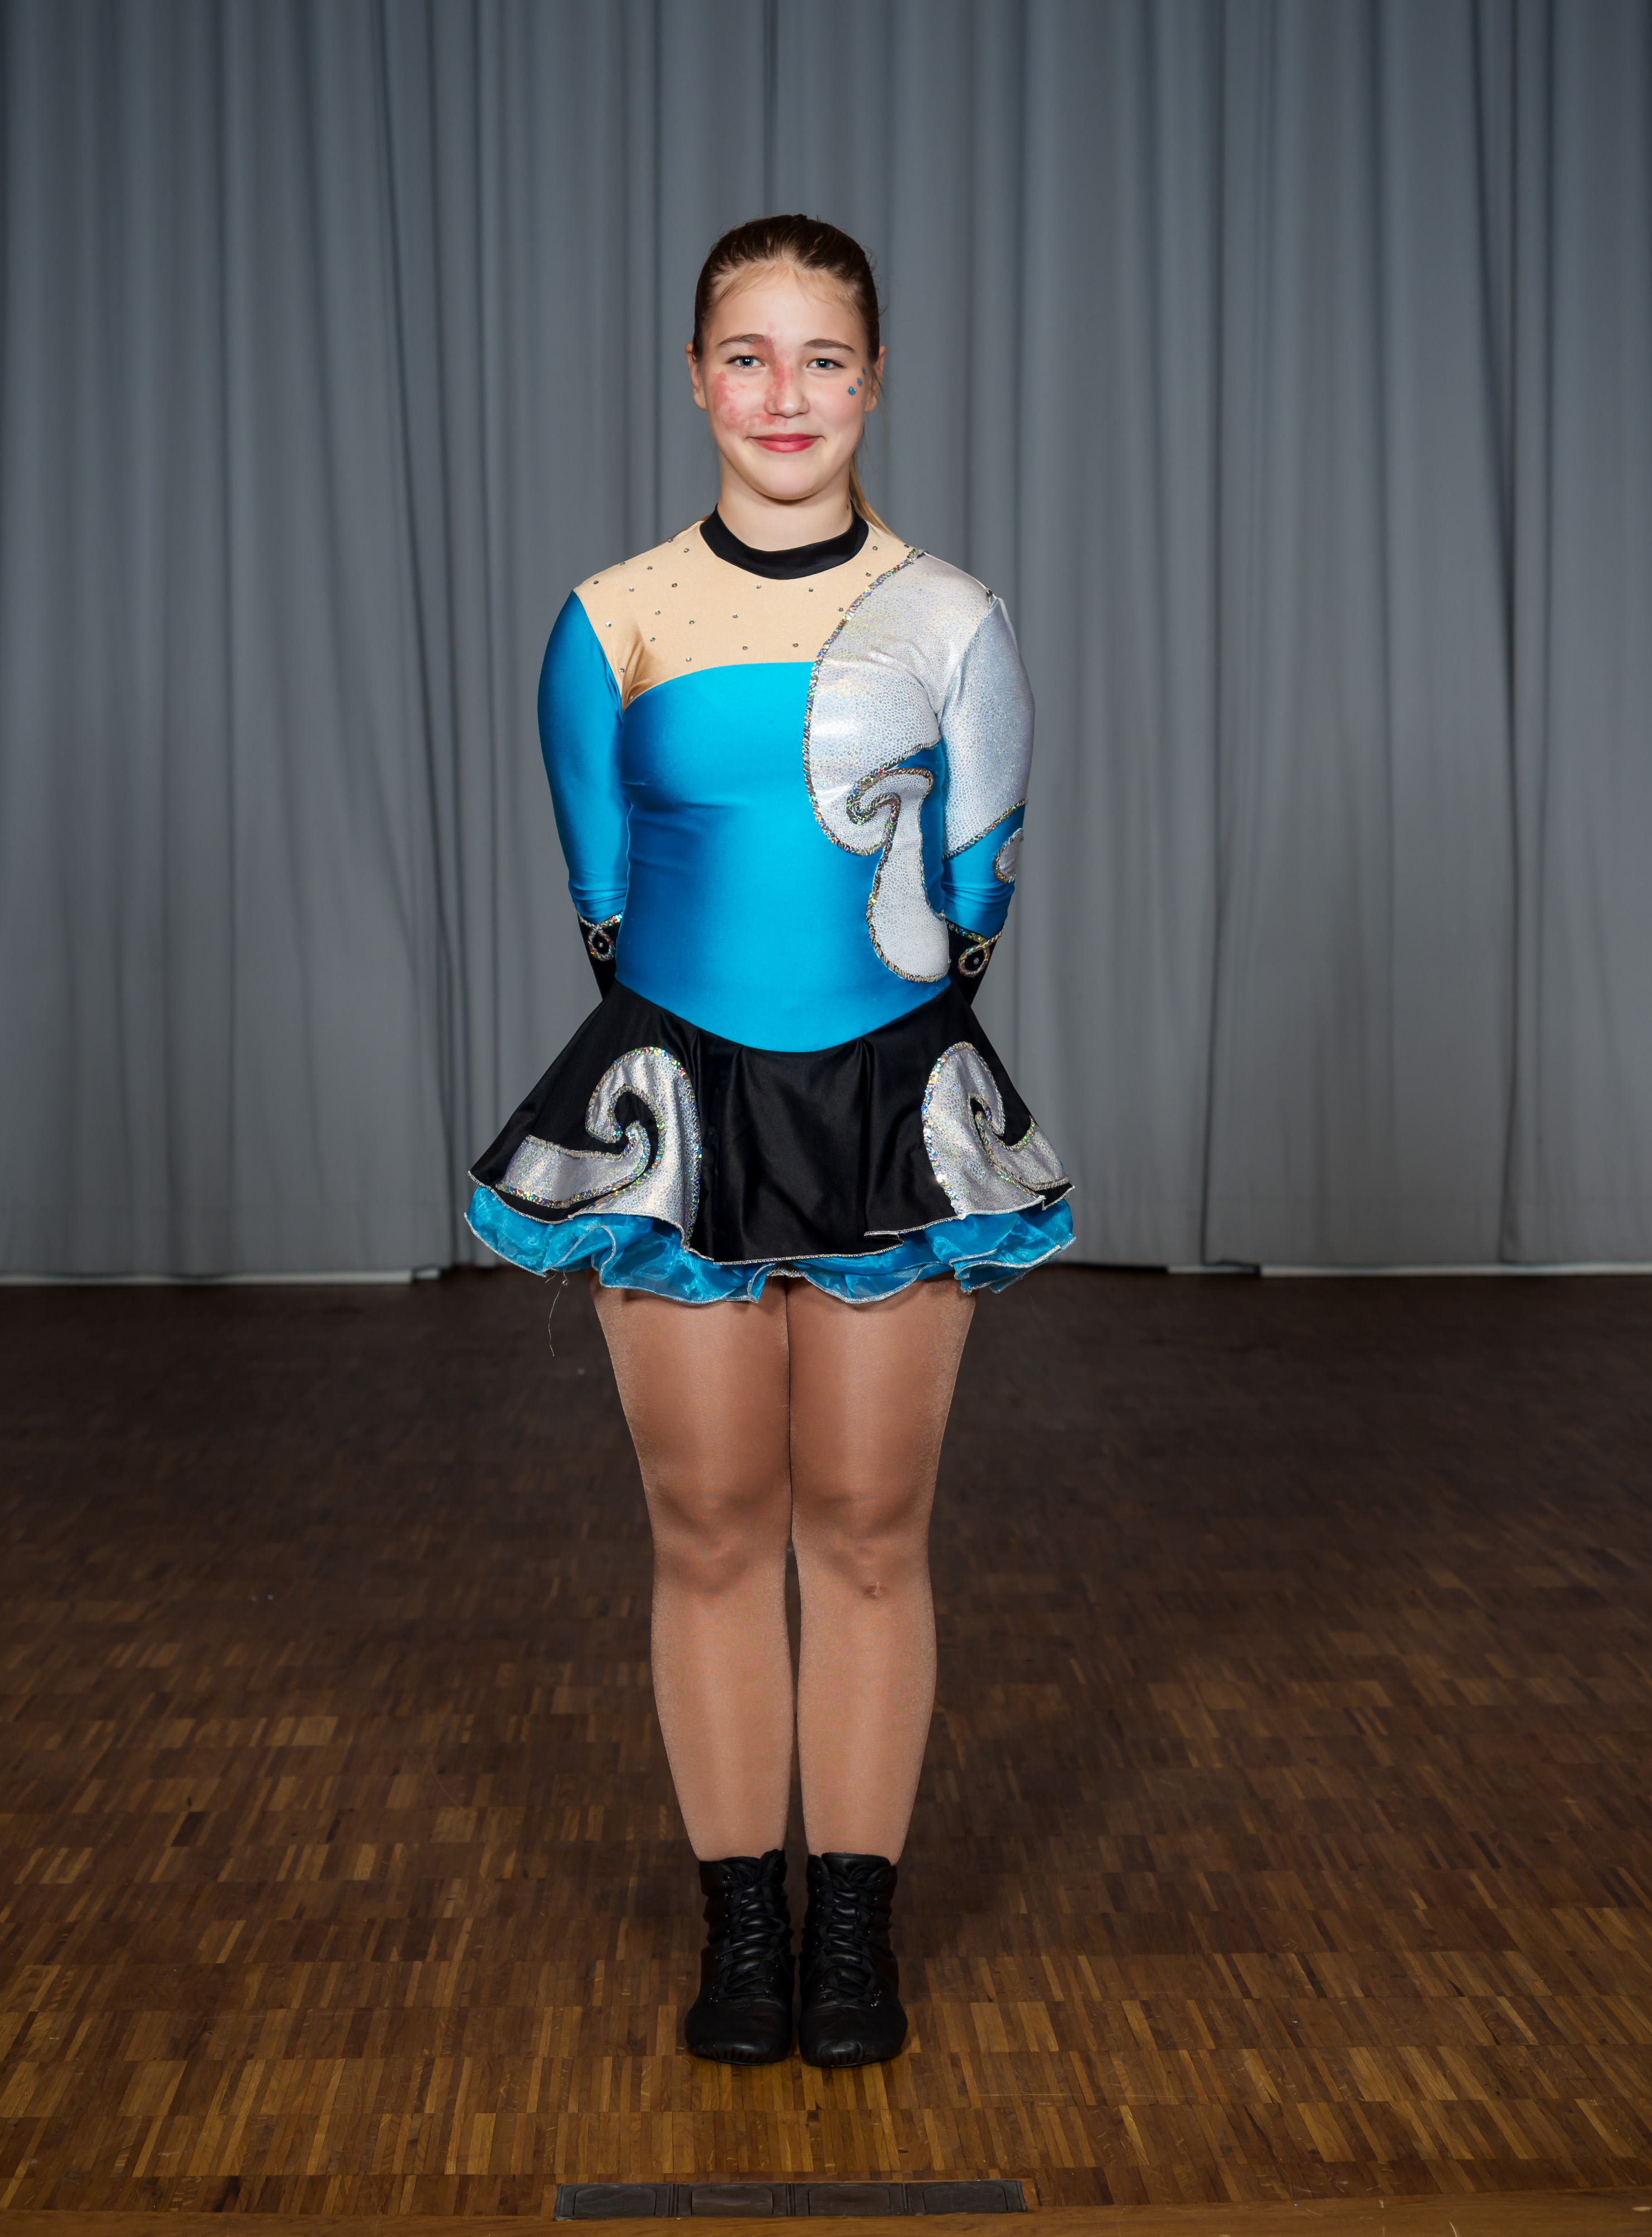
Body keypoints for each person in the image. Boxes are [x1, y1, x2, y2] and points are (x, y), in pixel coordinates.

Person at [468, 215, 1072, 2070]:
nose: (785, 394)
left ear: (875, 380)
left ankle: (854, 1926)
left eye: (823, 358)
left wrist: (856, 1044)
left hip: (893, 1106)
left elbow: (970, 903)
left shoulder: (953, 615)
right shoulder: (613, 618)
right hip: (677, 1110)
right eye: (749, 355)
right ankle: (745, 1922)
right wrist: (715, 1059)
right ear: (696, 378)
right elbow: (603, 903)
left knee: (871, 1530)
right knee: (713, 1527)